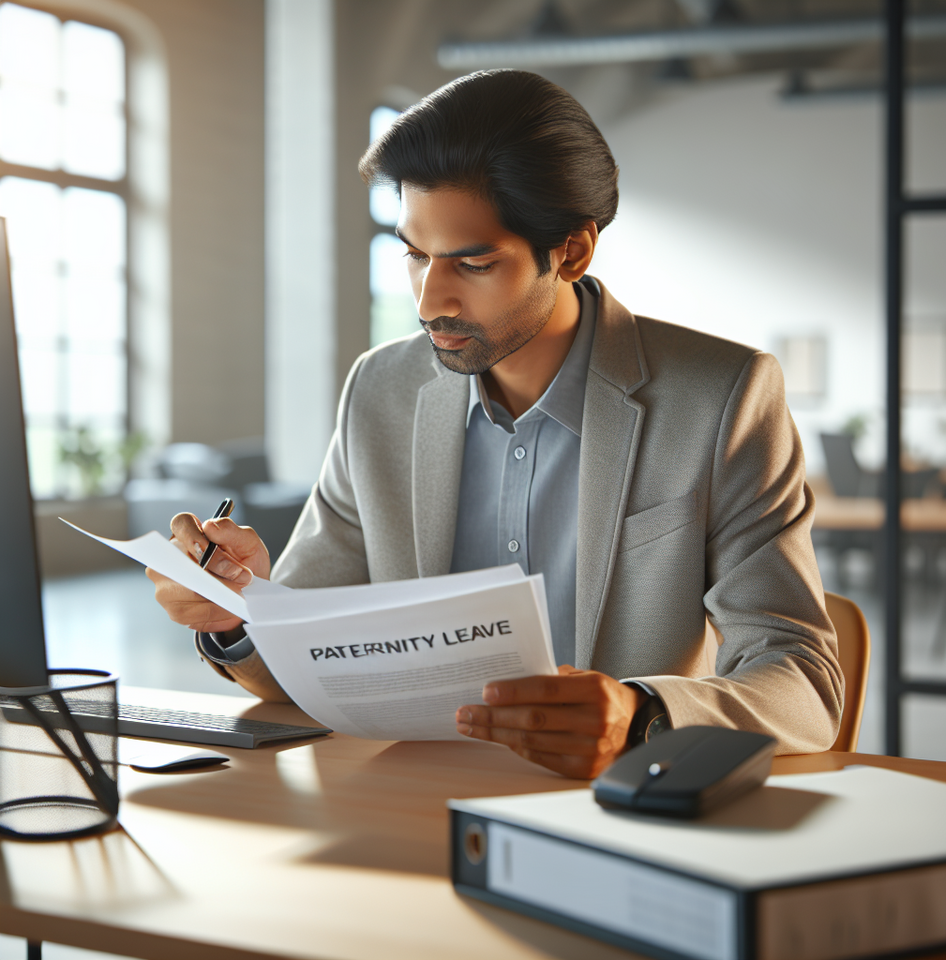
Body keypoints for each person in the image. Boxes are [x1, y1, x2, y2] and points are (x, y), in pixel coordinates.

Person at [148, 69, 842, 779]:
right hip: (407, 795)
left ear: (571, 251)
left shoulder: (721, 397)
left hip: (613, 808)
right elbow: (303, 665)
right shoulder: (379, 392)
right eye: (414, 255)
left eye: (472, 263)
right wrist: (236, 613)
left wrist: (641, 715)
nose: (428, 301)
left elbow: (805, 684)